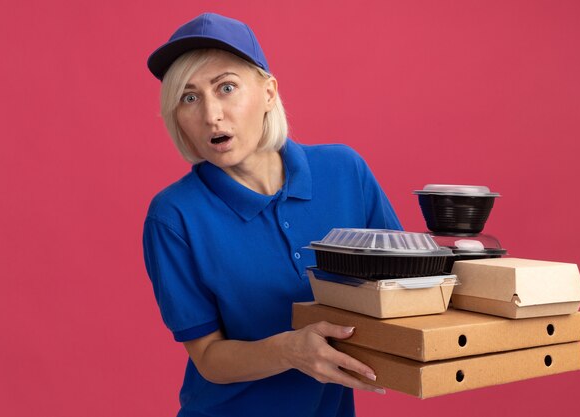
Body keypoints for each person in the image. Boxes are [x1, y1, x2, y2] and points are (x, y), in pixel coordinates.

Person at [142, 12, 403, 417]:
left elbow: (404, 283)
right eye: (189, 98)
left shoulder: (344, 171)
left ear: (268, 92)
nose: (211, 115)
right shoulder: (173, 217)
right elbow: (208, 358)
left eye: (226, 87)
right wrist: (289, 350)